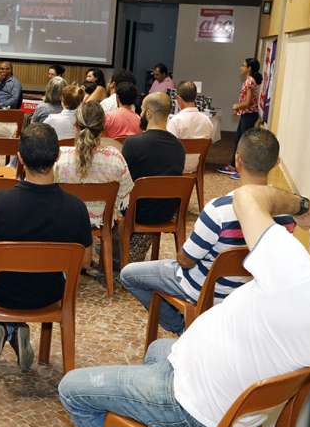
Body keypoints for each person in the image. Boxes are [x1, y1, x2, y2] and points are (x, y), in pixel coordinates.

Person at [59, 185, 310, 427]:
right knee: (157, 348)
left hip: (194, 408)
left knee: (72, 389)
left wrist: (303, 206)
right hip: (238, 413)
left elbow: (246, 196)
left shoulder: (294, 273)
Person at [120, 128, 295, 335]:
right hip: (251, 294)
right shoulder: (286, 217)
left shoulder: (218, 210)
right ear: (276, 162)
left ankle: (183, 328)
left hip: (205, 291)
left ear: (238, 161)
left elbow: (186, 260)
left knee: (128, 274)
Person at [0, 123, 93, 370]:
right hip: (51, 293)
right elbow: (85, 261)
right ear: (56, 156)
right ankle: (13, 328)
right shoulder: (76, 208)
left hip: (1, 292)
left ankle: (7, 326)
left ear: (19, 158)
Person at [121, 93, 185, 262]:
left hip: (136, 212)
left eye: (142, 109)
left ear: (148, 113)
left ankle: (115, 251)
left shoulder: (133, 144)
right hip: (167, 211)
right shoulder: (179, 147)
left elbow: (124, 182)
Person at [55, 101, 133, 230]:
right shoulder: (115, 158)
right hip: (103, 222)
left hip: (65, 220)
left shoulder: (59, 157)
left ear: (76, 126)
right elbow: (125, 196)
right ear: (103, 128)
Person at [218, 58, 262, 178]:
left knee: (243, 143)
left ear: (249, 68)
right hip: (246, 114)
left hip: (249, 115)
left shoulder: (249, 81)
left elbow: (247, 102)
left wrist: (237, 106)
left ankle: (241, 170)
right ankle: (234, 165)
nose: (241, 67)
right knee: (238, 140)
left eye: (243, 65)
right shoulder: (250, 80)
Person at [167, 80, 214, 173]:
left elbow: (169, 148)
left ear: (178, 99)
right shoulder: (207, 121)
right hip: (196, 165)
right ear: (195, 97)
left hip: (177, 166)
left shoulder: (175, 121)